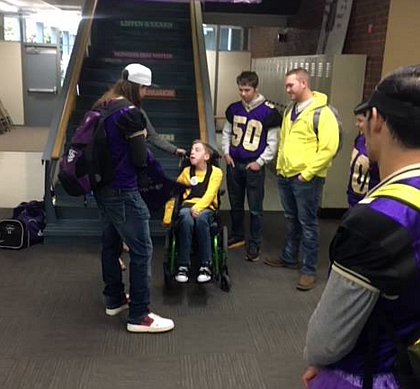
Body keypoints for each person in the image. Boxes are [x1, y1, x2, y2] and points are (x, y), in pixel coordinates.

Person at [303, 65, 420, 389]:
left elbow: (325, 342)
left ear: (376, 119)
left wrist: (329, 367)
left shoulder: (378, 218)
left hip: (376, 373)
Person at [93, 63, 174, 333]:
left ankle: (114, 299)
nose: (146, 93)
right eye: (145, 88)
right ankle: (139, 315)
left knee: (110, 245)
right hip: (123, 190)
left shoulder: (104, 104)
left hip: (102, 189)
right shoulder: (130, 113)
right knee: (142, 250)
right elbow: (139, 157)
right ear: (137, 87)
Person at [264, 67, 339, 291]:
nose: (287, 89)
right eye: (286, 85)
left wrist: (306, 174)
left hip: (307, 178)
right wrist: (279, 167)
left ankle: (308, 270)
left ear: (304, 83)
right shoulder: (290, 110)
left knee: (308, 223)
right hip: (286, 175)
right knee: (291, 219)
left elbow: (328, 148)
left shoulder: (322, 113)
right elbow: (285, 140)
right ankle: (289, 257)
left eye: (291, 85)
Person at [221, 71, 282, 262]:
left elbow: (273, 141)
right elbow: (227, 131)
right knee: (235, 203)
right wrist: (226, 152)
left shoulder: (269, 112)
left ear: (256, 89)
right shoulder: (234, 109)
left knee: (255, 207)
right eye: (240, 89)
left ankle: (254, 242)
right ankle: (238, 234)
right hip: (234, 163)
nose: (243, 94)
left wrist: (261, 162)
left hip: (254, 165)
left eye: (247, 90)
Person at [163, 140, 223, 283]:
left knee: (202, 219)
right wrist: (167, 217)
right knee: (185, 218)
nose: (192, 152)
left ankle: (205, 265)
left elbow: (210, 194)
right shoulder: (186, 172)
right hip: (187, 206)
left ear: (207, 156)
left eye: (197, 150)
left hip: (206, 208)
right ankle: (183, 265)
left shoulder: (216, 172)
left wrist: (198, 208)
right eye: (191, 150)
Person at [347, 102, 380, 207]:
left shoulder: (379, 145)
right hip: (354, 197)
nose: (357, 124)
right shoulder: (360, 139)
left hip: (369, 201)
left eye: (360, 121)